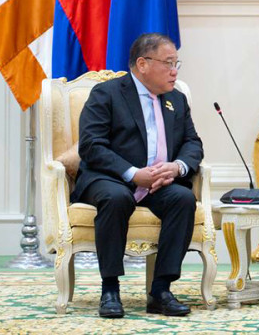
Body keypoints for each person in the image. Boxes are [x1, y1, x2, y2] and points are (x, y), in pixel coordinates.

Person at [72, 33, 203, 318]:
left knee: (182, 199)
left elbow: (193, 143)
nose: (174, 71)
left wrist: (177, 167)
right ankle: (110, 290)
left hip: (159, 182)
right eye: (168, 63)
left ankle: (161, 291)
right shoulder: (107, 94)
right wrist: (133, 174)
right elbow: (91, 146)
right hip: (110, 178)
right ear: (142, 64)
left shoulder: (176, 100)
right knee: (116, 197)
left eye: (176, 63)